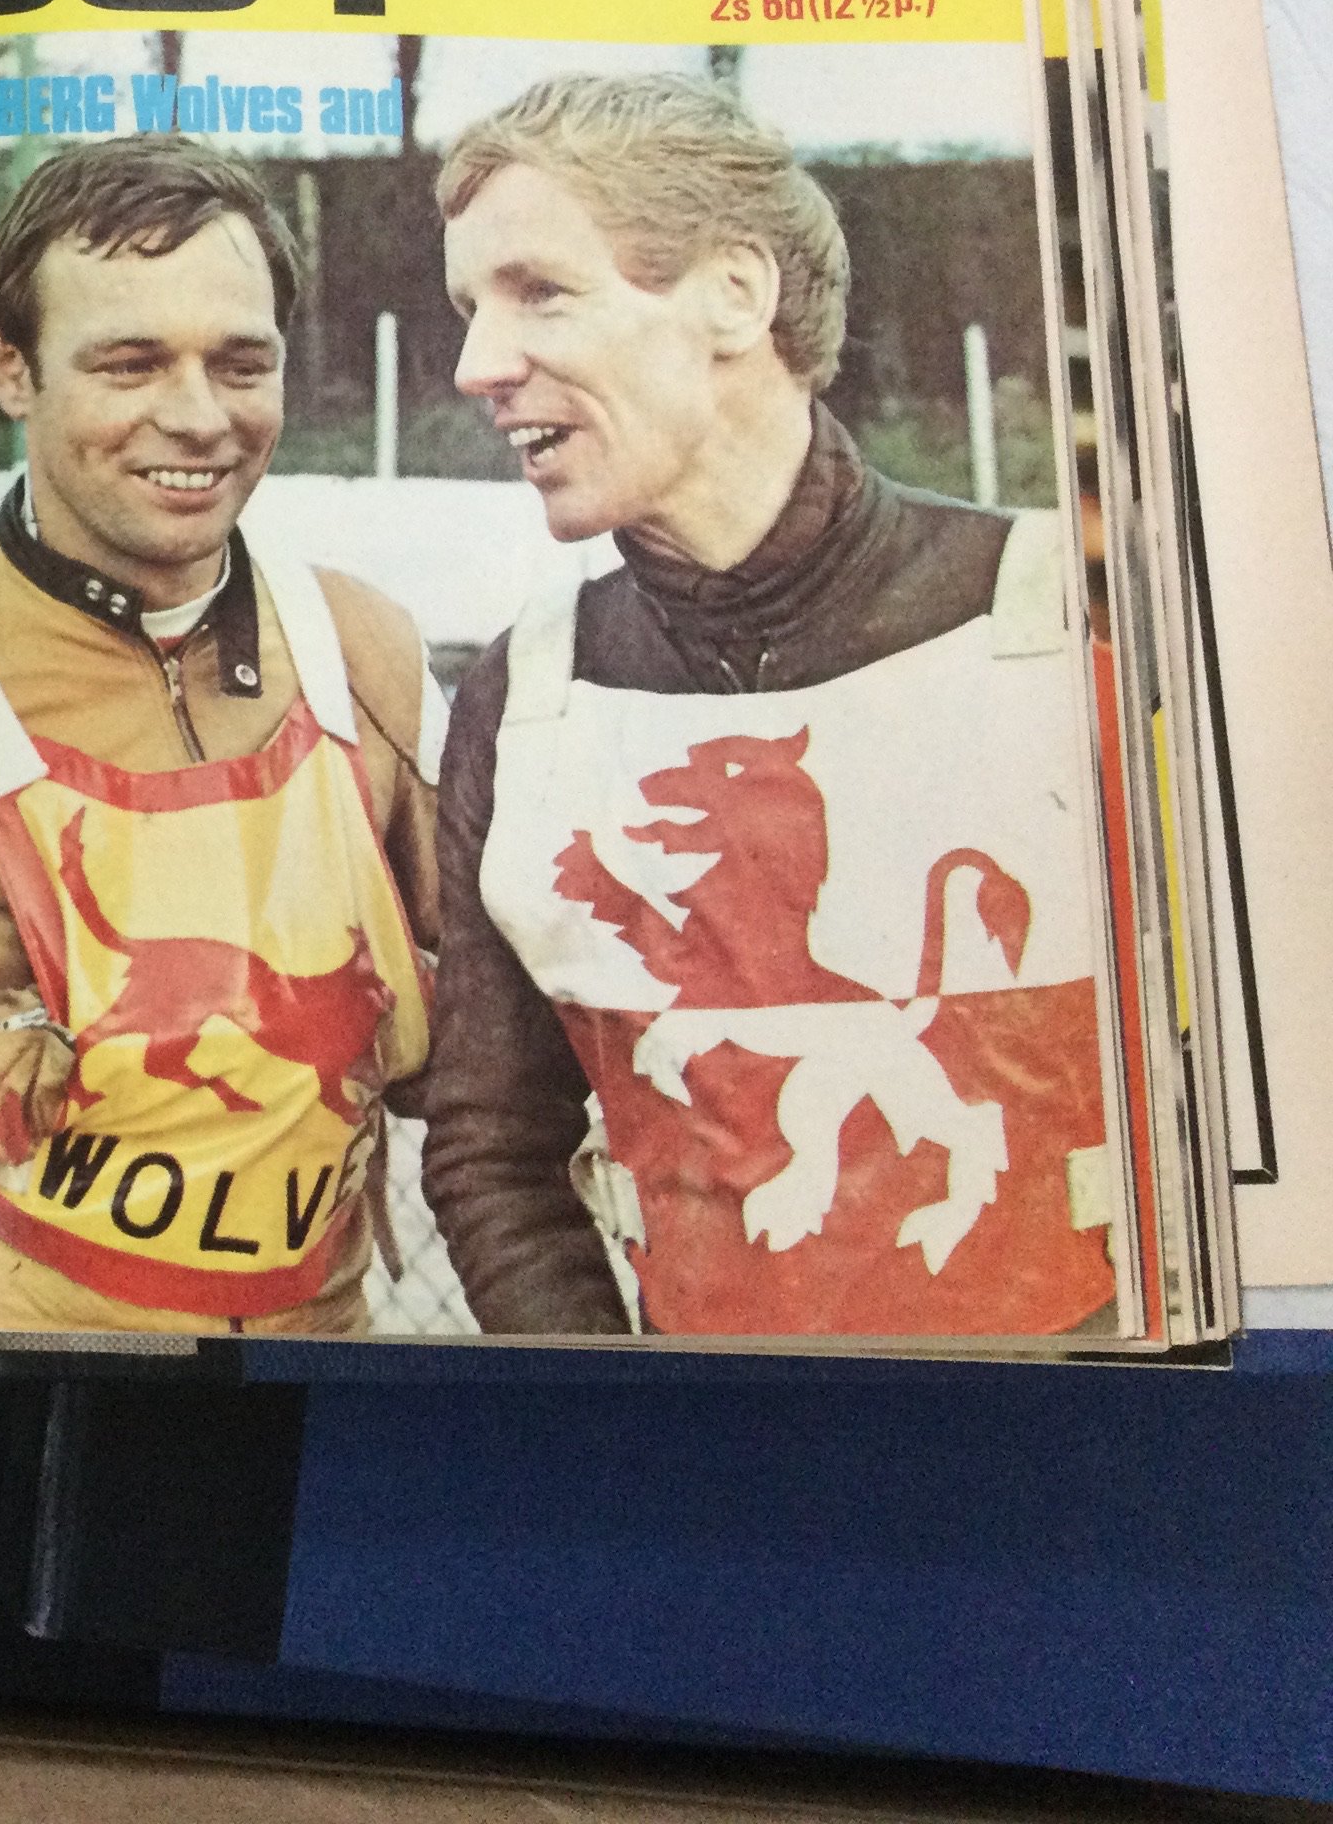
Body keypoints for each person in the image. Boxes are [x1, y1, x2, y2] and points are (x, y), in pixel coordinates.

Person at [422, 70, 1117, 1338]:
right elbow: (492, 1151)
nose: (478, 365)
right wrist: (623, 1415)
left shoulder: (1080, 627)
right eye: (472, 309)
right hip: (710, 1437)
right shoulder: (523, 699)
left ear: (735, 295)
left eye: (541, 293)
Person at [0, 133, 444, 1333]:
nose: (198, 417)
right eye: (129, 363)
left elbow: (496, 1055)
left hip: (310, 1396)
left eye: (242, 364)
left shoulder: (363, 648)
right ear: (11, 369)